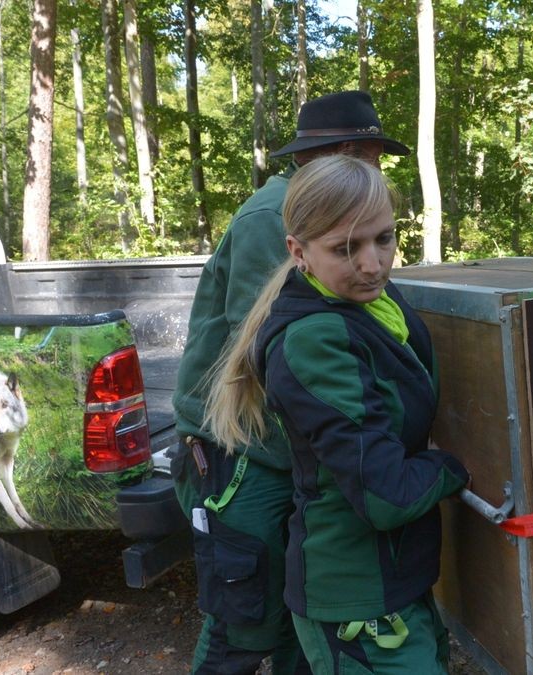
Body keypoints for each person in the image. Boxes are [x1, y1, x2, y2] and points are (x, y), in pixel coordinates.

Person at [170, 91, 410, 675]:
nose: (374, 169)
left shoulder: (345, 218)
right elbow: (274, 352)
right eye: (369, 155)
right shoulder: (270, 216)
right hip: (243, 446)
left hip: (289, 448)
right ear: (339, 153)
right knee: (245, 623)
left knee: (303, 620)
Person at [206, 155, 470, 675]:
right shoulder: (315, 338)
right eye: (345, 248)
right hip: (358, 596)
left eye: (384, 239)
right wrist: (452, 469)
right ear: (298, 252)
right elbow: (384, 494)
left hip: (397, 576)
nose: (372, 264)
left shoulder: (372, 302)